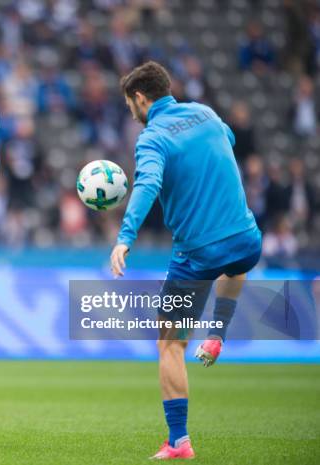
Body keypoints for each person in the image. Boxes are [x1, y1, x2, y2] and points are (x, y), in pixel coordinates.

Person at [110, 62, 261, 459]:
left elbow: (147, 184)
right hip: (247, 238)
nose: (130, 111)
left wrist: (125, 238)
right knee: (237, 260)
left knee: (170, 342)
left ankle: (178, 441)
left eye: (130, 103)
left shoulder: (152, 136)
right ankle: (219, 334)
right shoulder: (206, 113)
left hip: (198, 254)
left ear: (141, 98)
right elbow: (225, 139)